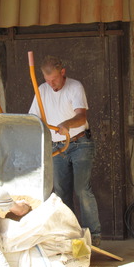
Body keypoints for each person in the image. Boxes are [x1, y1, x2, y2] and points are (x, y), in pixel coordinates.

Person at [28, 55, 102, 247]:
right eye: (47, 80)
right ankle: (69, 235)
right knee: (61, 192)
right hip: (56, 147)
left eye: (54, 79)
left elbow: (81, 116)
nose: (51, 84)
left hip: (79, 143)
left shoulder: (75, 87)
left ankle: (93, 236)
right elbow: (33, 118)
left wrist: (66, 125)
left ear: (63, 72)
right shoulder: (42, 91)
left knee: (82, 189)